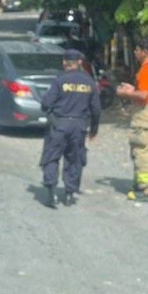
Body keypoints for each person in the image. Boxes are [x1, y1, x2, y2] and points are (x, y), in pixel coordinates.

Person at [39, 48, 101, 208]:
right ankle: (69, 194)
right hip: (79, 126)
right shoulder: (89, 82)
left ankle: (51, 193)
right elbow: (96, 109)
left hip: (59, 124)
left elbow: (46, 103)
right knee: (74, 159)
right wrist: (94, 130)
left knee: (51, 157)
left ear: (64, 63)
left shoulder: (60, 80)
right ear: (80, 63)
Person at [116, 38, 148, 202]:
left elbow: (143, 96)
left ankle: (147, 189)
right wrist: (133, 89)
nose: (135, 53)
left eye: (137, 50)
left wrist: (126, 94)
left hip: (144, 115)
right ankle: (141, 184)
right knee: (141, 148)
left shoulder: (147, 69)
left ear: (144, 51)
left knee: (141, 149)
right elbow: (147, 91)